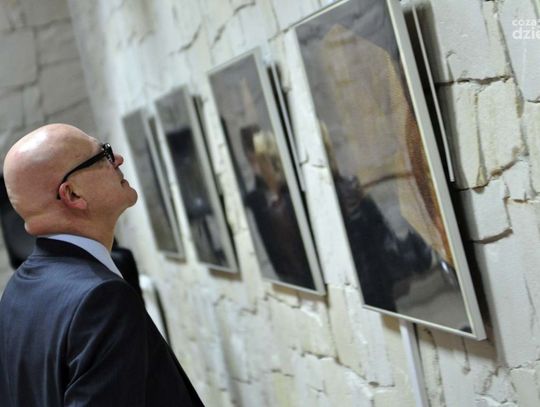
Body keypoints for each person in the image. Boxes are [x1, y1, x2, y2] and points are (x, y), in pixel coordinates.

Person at [0, 124, 204, 406]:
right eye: (103, 155)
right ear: (73, 195)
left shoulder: (16, 291)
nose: (117, 159)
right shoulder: (101, 298)